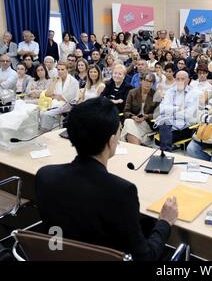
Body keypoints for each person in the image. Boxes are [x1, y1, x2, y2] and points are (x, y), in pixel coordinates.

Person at [35, 96, 178, 261]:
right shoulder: (122, 191)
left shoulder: (45, 175)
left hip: (58, 253)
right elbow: (145, 258)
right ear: (111, 141)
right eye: (119, 132)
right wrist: (165, 222)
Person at [155, 71, 198, 152]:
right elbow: (162, 109)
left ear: (188, 80)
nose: (180, 81)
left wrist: (170, 111)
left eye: (183, 79)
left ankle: (165, 153)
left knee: (162, 138)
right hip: (167, 125)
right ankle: (166, 153)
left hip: (185, 127)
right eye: (178, 79)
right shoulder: (170, 91)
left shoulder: (194, 93)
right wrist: (178, 108)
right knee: (164, 123)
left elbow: (189, 116)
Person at [122, 72, 159, 146]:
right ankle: (137, 147)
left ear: (153, 84)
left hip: (147, 124)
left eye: (151, 81)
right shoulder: (132, 92)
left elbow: (158, 113)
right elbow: (126, 111)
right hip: (134, 121)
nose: (148, 83)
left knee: (128, 125)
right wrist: (133, 116)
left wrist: (147, 116)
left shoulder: (156, 94)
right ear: (141, 81)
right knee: (129, 122)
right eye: (146, 80)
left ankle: (135, 149)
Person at [40, 62, 79, 131]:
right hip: (55, 104)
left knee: (46, 114)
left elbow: (67, 98)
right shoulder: (56, 79)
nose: (60, 71)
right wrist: (54, 81)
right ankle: (45, 132)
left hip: (69, 105)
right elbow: (48, 94)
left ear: (67, 70)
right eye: (58, 69)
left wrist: (55, 96)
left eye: (62, 69)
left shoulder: (73, 81)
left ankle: (46, 132)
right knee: (41, 113)